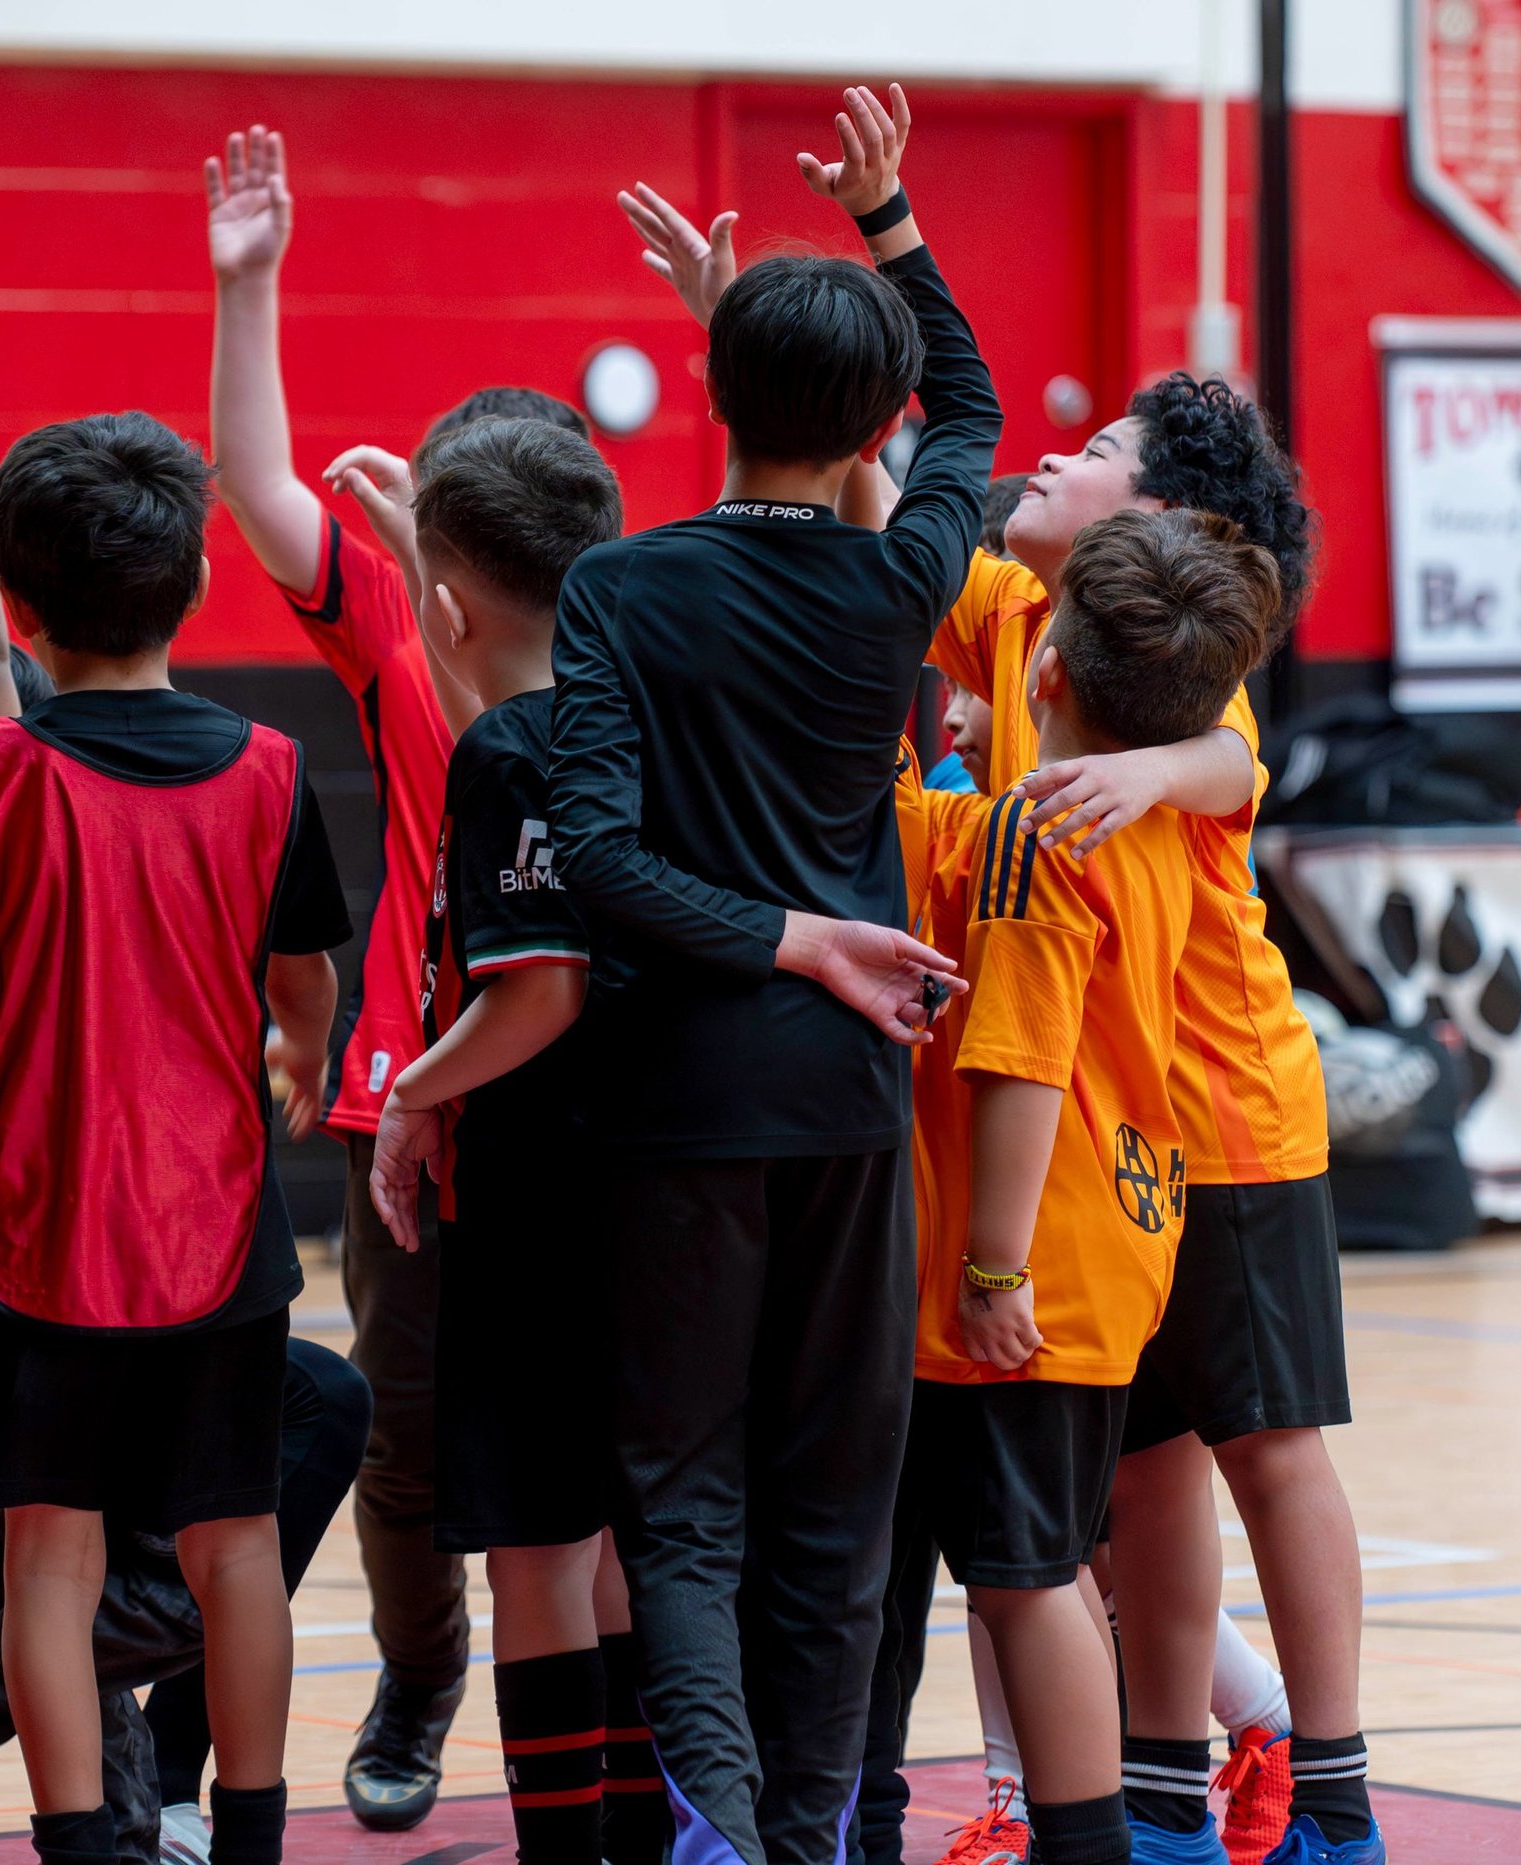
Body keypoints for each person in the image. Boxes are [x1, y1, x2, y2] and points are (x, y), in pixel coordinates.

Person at [550, 86, 984, 1865]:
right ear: (872, 420)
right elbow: (970, 402)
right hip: (848, 1103)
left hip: (677, 1107)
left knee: (684, 1501)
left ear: (710, 401)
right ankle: (801, 1838)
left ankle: (721, 1825)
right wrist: (892, 223)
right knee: (835, 1506)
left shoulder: (618, 592)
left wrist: (780, 936)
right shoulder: (902, 584)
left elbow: (598, 861)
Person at [0, 408, 348, 1865]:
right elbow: (307, 973)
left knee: (51, 1571)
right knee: (236, 1546)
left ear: (17, 603)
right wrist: (304, 1053)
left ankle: (80, 1848)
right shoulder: (267, 768)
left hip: (36, 1237)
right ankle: (248, 1843)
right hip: (220, 1232)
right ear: (196, 583)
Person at [200, 121, 593, 1831]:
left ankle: (603, 1743)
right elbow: (258, 489)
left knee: (594, 1456)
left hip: (584, 1102)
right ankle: (424, 1666)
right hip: (403, 1100)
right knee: (407, 1431)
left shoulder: (637, 637)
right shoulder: (396, 613)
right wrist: (254, 280)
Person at [936, 379, 1371, 1865]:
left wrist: (1150, 769)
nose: (1054, 455)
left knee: (1270, 1450)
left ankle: (1340, 1796)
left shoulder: (1172, 661)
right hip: (1111, 1140)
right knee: (1145, 1469)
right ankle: (1166, 1796)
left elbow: (1237, 762)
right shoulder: (1012, 613)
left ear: (1171, 523)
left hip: (1229, 1110)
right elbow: (866, 493)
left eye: (1102, 450)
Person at [344, 417, 667, 1865]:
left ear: (448, 606)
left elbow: (540, 989)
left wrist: (414, 1089)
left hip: (544, 1197)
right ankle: (648, 1832)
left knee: (540, 1549)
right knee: (624, 1547)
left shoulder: (505, 751)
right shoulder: (657, 707)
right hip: (671, 1185)